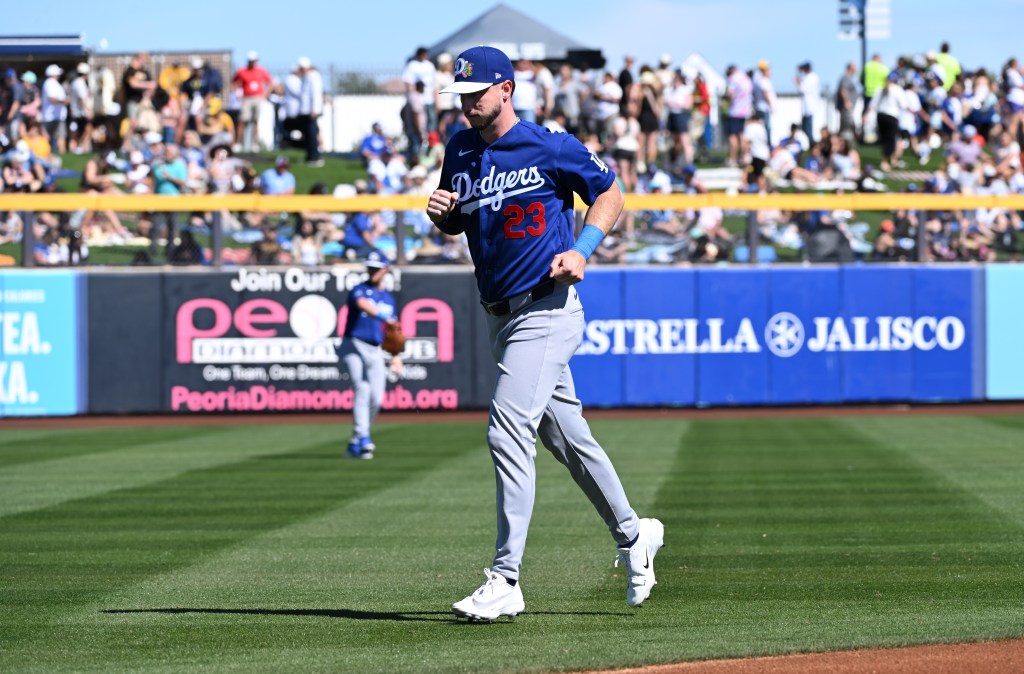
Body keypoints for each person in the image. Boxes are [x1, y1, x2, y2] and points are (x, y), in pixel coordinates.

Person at [426, 45, 664, 621]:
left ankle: (505, 578)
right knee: (566, 439)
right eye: (460, 95)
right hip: (499, 315)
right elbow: (469, 215)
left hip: (548, 308)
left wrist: (583, 250)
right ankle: (636, 535)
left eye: (476, 93)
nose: (466, 104)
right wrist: (446, 214)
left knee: (508, 430)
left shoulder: (549, 143)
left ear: (506, 89)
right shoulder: (459, 148)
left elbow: (610, 192)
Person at [339, 249, 402, 459]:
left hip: (375, 349)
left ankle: (356, 440)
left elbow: (392, 333)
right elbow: (362, 304)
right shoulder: (360, 289)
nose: (372, 271)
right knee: (362, 388)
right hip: (353, 344)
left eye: (377, 268)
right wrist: (384, 316)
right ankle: (364, 437)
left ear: (386, 269)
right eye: (370, 268)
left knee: (377, 397)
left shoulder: (388, 298)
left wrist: (395, 357)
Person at [233, 51, 273, 152]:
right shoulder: (242, 71)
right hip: (246, 98)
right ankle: (238, 143)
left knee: (256, 121)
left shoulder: (261, 71)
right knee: (242, 120)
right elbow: (233, 82)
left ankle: (254, 144)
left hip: (258, 98)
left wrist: (265, 95)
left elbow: (270, 83)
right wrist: (238, 93)